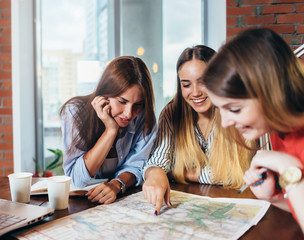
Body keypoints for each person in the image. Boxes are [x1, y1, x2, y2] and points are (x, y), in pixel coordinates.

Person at [202, 28, 304, 232]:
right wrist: (273, 197)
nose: (225, 123)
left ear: (271, 93)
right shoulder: (277, 130)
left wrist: (288, 168)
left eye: (234, 109)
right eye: (219, 109)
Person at [143, 45, 255, 215]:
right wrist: (156, 174)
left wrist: (179, 172)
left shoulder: (235, 110)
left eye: (203, 82)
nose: (195, 93)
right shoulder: (172, 112)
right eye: (186, 85)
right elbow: (158, 161)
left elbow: (237, 174)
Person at [60, 56, 157, 204]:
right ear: (104, 94)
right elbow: (77, 179)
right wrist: (110, 131)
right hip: (79, 202)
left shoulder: (144, 118)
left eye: (138, 104)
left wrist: (117, 184)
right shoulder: (74, 112)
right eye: (122, 102)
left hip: (118, 200)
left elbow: (137, 165)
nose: (129, 114)